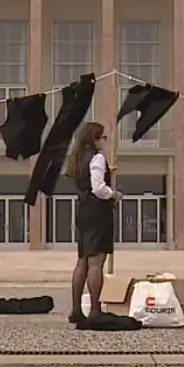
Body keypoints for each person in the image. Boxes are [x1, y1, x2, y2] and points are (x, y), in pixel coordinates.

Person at [63, 122, 120, 322]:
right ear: (94, 139)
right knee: (97, 262)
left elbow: (88, 180)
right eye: (102, 137)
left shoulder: (77, 158)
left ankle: (76, 309)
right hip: (98, 210)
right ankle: (95, 309)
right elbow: (98, 188)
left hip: (83, 210)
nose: (104, 141)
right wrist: (113, 194)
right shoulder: (97, 157)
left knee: (83, 260)